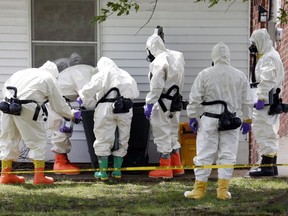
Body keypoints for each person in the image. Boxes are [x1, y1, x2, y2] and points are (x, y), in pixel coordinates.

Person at [184, 42, 253, 200]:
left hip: (209, 119)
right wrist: (247, 119)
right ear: (228, 56)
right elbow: (248, 101)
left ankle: (199, 190)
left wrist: (192, 116)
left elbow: (194, 98)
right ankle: (223, 191)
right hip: (232, 121)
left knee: (204, 154)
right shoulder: (239, 75)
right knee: (228, 155)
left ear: (213, 56)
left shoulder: (205, 74)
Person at [0, 61, 81, 185]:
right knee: (37, 141)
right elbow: (58, 105)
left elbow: (6, 87)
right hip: (28, 108)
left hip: (6, 106)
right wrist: (70, 114)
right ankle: (39, 177)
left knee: (8, 139)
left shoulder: (22, 73)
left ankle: (6, 175)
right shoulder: (48, 78)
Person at [78, 57, 139, 180]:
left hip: (105, 108)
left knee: (103, 138)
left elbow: (87, 91)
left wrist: (83, 97)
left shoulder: (102, 74)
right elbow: (135, 93)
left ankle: (103, 173)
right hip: (125, 109)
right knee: (123, 139)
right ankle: (117, 172)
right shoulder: (125, 75)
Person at [144, 30, 185, 179]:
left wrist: (149, 103)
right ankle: (177, 166)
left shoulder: (159, 61)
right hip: (175, 101)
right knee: (173, 132)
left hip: (162, 102)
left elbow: (156, 85)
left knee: (162, 132)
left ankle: (165, 167)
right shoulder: (176, 57)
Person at [45, 64, 97, 175]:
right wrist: (95, 112)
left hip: (60, 99)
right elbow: (87, 96)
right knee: (61, 129)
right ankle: (60, 163)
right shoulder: (85, 73)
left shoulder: (85, 70)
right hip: (57, 100)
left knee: (64, 128)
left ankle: (62, 160)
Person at [248, 29, 284, 177]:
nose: (253, 48)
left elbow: (267, 79)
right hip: (269, 101)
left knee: (264, 131)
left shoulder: (268, 58)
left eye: (254, 44)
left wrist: (261, 98)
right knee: (269, 131)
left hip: (265, 102)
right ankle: (271, 166)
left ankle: (267, 167)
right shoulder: (269, 55)